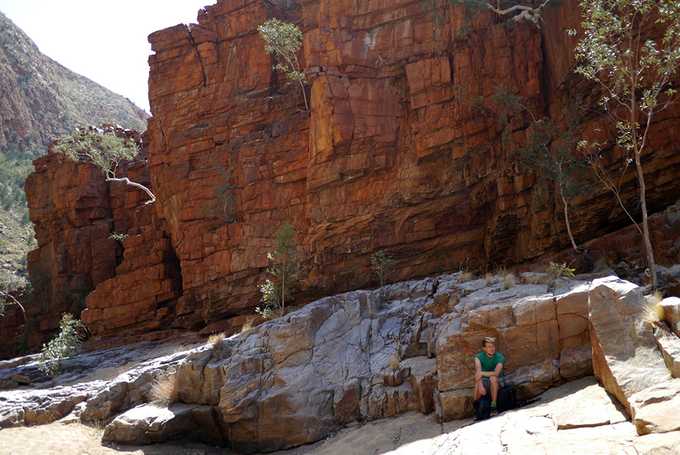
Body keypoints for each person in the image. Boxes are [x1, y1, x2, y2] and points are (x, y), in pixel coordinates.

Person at [474, 336, 505, 412]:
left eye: (493, 346)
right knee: (477, 385)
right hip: (484, 381)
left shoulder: (499, 357)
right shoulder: (478, 357)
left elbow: (496, 373)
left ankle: (493, 405)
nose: (492, 349)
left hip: (498, 382)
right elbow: (478, 373)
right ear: (484, 348)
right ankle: (476, 407)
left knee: (493, 378)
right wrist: (480, 386)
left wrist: (482, 373)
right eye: (489, 347)